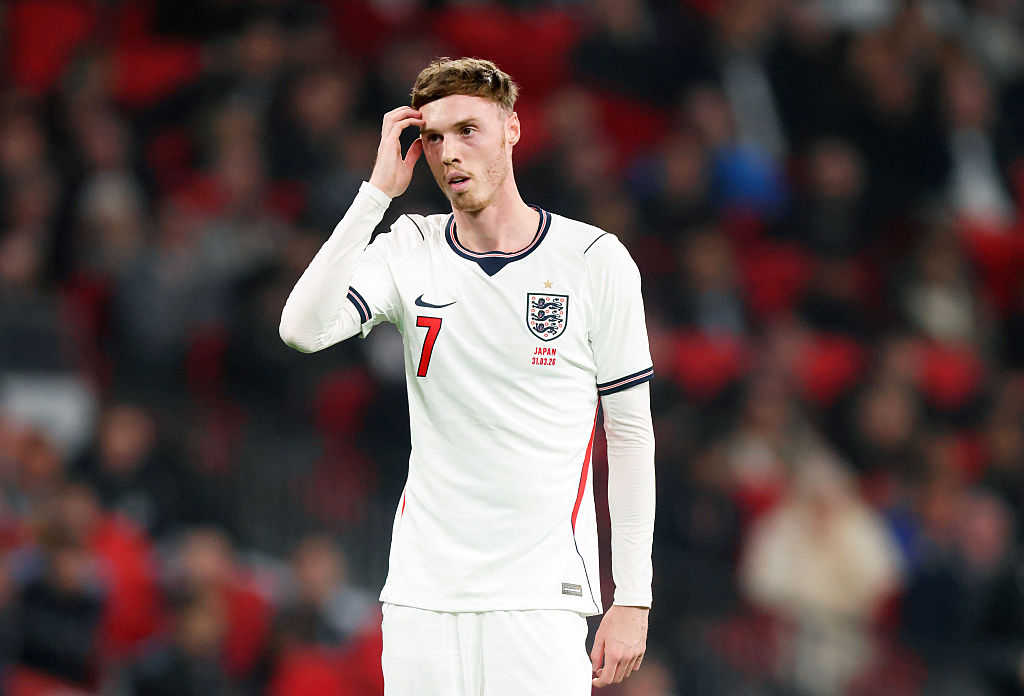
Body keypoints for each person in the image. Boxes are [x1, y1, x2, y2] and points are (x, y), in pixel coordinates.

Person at [280, 57, 656, 694]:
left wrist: (634, 598)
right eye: (433, 138)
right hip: (424, 592)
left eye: (468, 130)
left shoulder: (593, 260)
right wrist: (374, 196)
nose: (449, 152)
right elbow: (302, 328)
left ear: (512, 128)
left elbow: (630, 435)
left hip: (540, 594)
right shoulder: (409, 247)